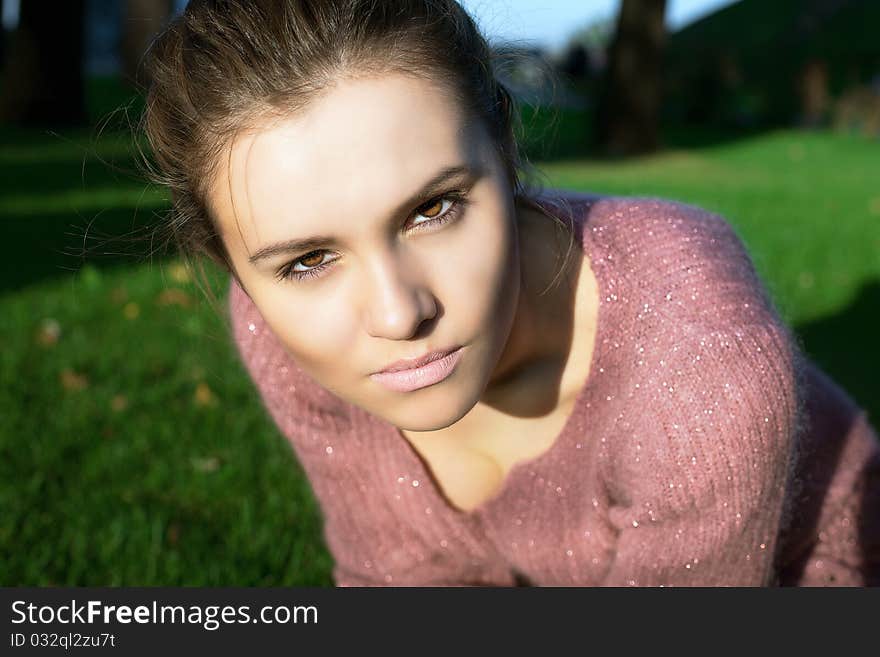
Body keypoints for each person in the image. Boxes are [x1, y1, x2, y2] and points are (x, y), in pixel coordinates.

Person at [138, 0, 880, 586]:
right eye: (307, 261)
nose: (400, 313)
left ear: (505, 149)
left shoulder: (696, 356)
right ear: (231, 265)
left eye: (434, 209)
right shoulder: (277, 338)